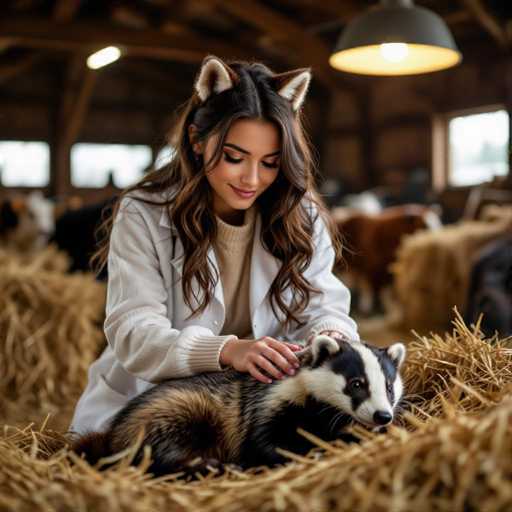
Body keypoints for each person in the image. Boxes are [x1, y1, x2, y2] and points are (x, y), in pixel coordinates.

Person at [68, 55, 360, 436]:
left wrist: (332, 336)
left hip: (259, 399)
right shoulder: (143, 214)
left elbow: (324, 305)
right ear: (197, 140)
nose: (252, 179)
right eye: (234, 157)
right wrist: (227, 350)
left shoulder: (299, 214)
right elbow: (134, 331)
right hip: (154, 400)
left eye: (270, 163)